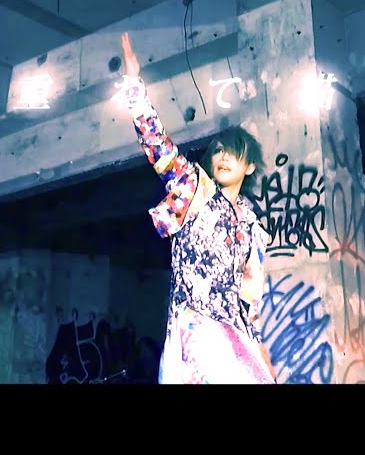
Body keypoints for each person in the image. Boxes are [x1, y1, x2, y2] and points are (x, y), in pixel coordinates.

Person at [116, 32, 277, 384]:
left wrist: (260, 353)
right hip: (194, 328)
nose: (223, 157)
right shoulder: (194, 188)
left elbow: (251, 298)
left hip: (235, 336)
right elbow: (156, 143)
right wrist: (134, 83)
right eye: (218, 150)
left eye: (233, 153)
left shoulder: (252, 225)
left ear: (249, 166)